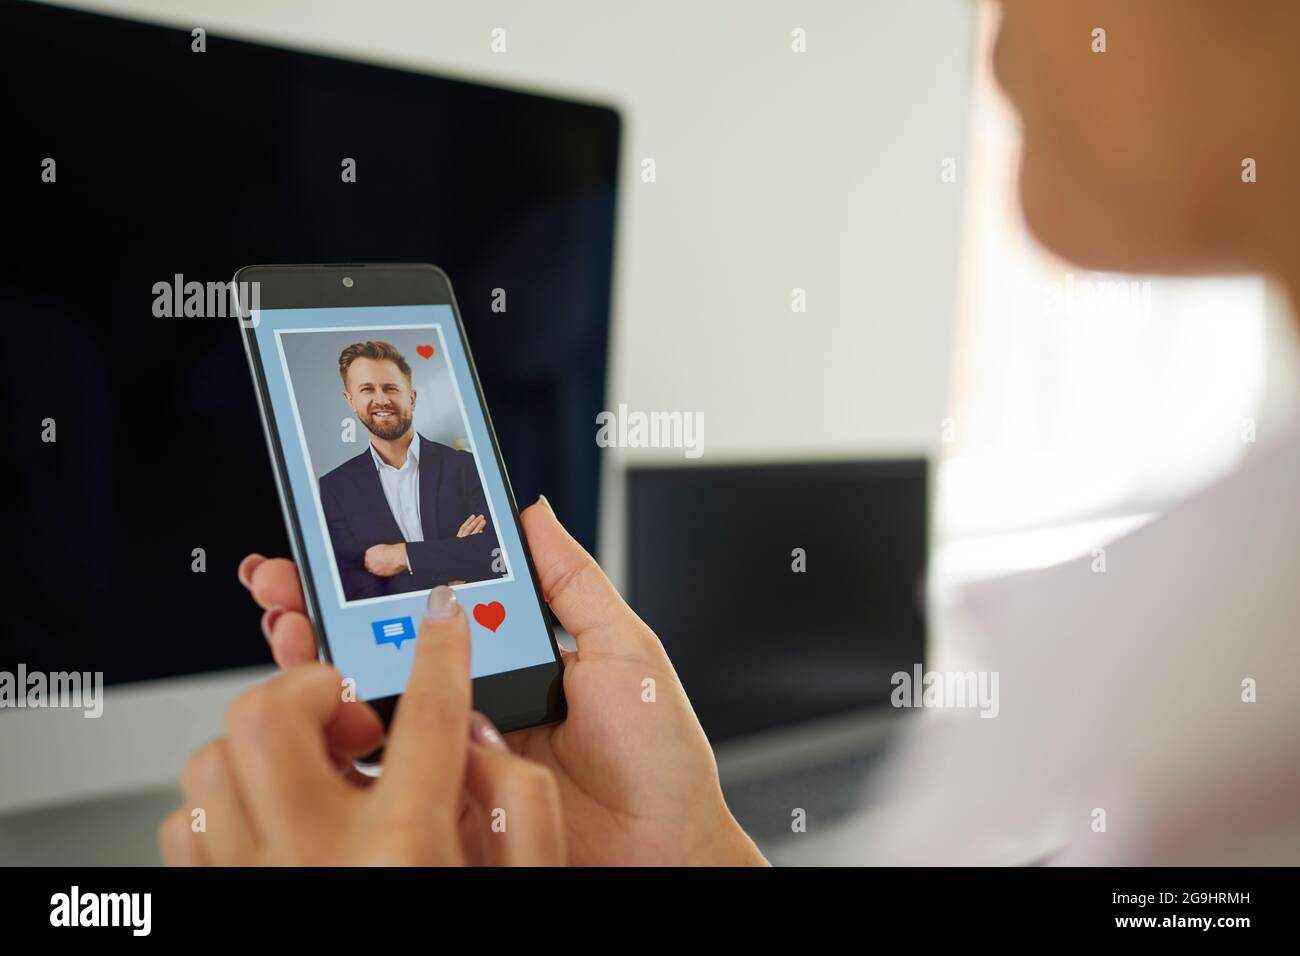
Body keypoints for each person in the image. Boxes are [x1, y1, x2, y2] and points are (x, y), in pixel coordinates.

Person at [162, 0, 1300, 865]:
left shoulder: (1215, 709)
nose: (989, 26)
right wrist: (692, 843)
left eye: (391, 385)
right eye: (358, 393)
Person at [321, 341, 497, 601]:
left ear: (411, 398)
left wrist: (402, 555)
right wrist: (451, 569)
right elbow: (351, 587)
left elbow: (494, 553)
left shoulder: (467, 467)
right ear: (351, 401)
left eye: (391, 388)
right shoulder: (333, 488)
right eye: (367, 389)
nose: (381, 400)